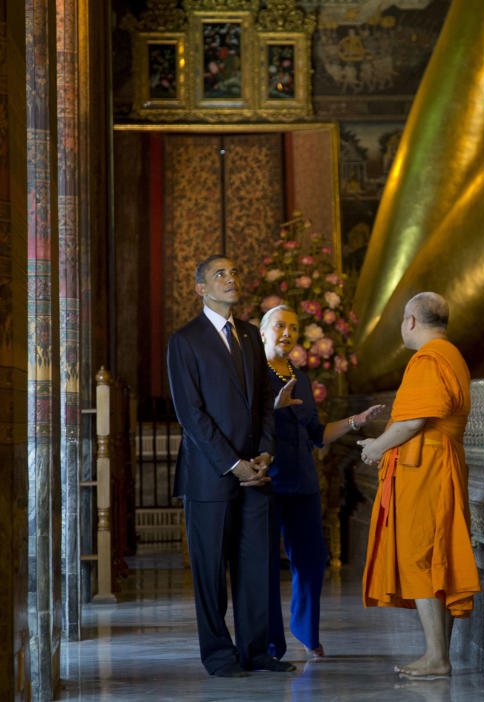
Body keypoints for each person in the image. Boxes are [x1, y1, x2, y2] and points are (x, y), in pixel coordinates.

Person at [167, 255, 297, 678]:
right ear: (201, 288)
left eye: (234, 271)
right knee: (210, 570)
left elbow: (263, 404)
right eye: (220, 274)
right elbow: (191, 414)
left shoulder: (248, 336)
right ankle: (219, 654)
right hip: (211, 475)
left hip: (256, 472)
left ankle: (256, 651)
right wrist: (233, 464)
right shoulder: (184, 340)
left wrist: (263, 454)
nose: (231, 278)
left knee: (256, 565)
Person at [359, 292, 481, 678]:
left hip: (426, 465)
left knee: (421, 555)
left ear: (411, 320)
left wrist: (376, 446)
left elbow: (414, 422)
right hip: (437, 461)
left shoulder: (428, 359)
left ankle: (436, 657)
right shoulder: (452, 355)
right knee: (435, 554)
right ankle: (437, 654)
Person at [258, 304, 383, 660]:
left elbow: (316, 433)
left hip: (303, 483)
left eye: (293, 329)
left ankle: (306, 632)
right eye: (280, 326)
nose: (287, 333)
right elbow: (245, 429)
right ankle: (269, 643)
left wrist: (355, 421)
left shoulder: (304, 378)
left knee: (313, 560)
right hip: (266, 482)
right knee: (265, 564)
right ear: (264, 332)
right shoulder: (252, 376)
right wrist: (274, 409)